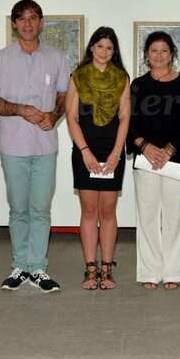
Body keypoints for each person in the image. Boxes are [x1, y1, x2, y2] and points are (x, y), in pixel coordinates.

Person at [0, 0, 68, 293]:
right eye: (22, 18)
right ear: (14, 24)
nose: (28, 23)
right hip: (14, 147)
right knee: (19, 208)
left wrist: (55, 115)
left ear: (41, 22)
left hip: (45, 145)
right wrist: (20, 109)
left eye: (33, 17)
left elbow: (63, 97)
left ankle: (39, 268)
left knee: (41, 209)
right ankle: (20, 265)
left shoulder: (56, 58)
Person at [127, 31, 180, 290]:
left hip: (174, 159)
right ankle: (149, 271)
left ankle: (173, 272)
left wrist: (168, 149)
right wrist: (145, 147)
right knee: (146, 217)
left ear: (172, 54)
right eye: (153, 50)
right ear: (146, 55)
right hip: (145, 160)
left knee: (174, 217)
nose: (158, 55)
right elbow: (130, 123)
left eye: (164, 50)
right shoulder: (138, 85)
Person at [66, 26, 130, 290]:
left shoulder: (121, 77)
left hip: (112, 151)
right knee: (89, 210)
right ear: (91, 47)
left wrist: (116, 152)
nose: (104, 51)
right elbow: (71, 117)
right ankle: (90, 269)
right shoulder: (78, 76)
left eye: (109, 47)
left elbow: (125, 116)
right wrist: (85, 151)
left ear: (114, 52)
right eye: (100, 45)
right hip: (85, 151)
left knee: (108, 211)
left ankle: (107, 269)